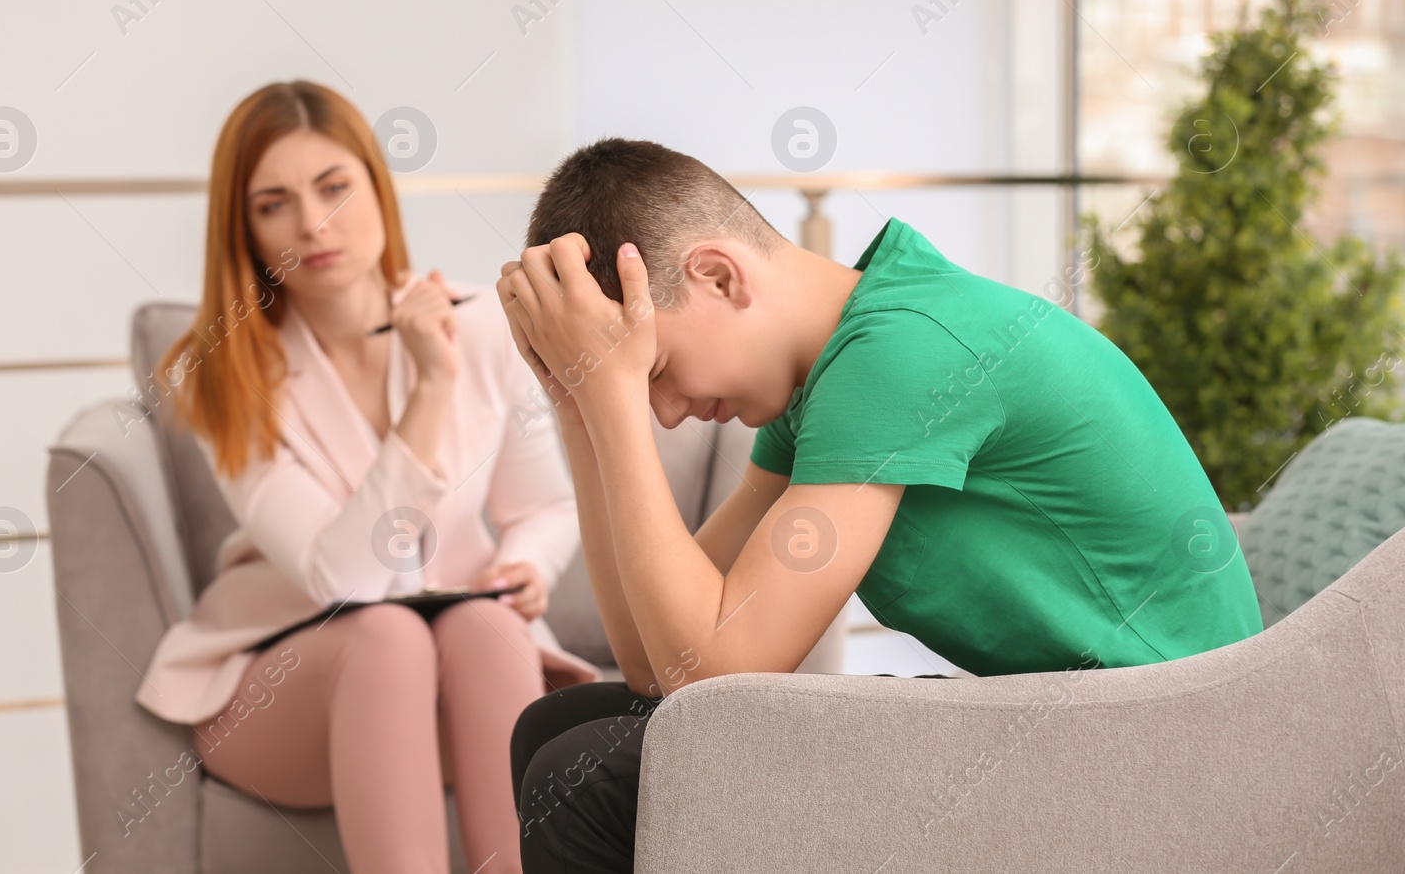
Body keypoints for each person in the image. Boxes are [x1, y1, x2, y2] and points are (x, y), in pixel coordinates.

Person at [497, 137, 1264, 873]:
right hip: (1067, 727)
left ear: (720, 277)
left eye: (654, 368)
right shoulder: (829, 374)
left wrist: (613, 401)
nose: (660, 411)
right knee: (557, 729)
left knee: (586, 777)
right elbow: (653, 664)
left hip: (1157, 754)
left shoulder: (899, 349)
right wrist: (579, 404)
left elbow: (711, 678)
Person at [132, 80, 599, 874]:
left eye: (334, 187)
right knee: (385, 634)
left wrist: (528, 564)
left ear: (377, 188)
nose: (313, 224)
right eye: (274, 203)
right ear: (243, 228)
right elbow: (341, 577)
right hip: (285, 690)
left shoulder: (482, 324)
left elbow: (547, 507)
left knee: (486, 627)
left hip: (456, 674)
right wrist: (429, 388)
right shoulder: (225, 374)